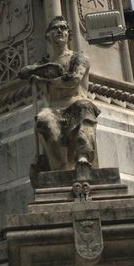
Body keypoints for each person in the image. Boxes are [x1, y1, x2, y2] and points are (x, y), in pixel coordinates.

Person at [20, 16, 99, 175]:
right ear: (48, 35)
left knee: (85, 108)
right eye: (55, 28)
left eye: (63, 28)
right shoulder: (44, 63)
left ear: (69, 35)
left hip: (75, 103)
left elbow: (73, 80)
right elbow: (23, 73)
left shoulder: (79, 57)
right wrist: (34, 71)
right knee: (43, 119)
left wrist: (46, 79)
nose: (59, 31)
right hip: (54, 108)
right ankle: (60, 168)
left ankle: (83, 156)